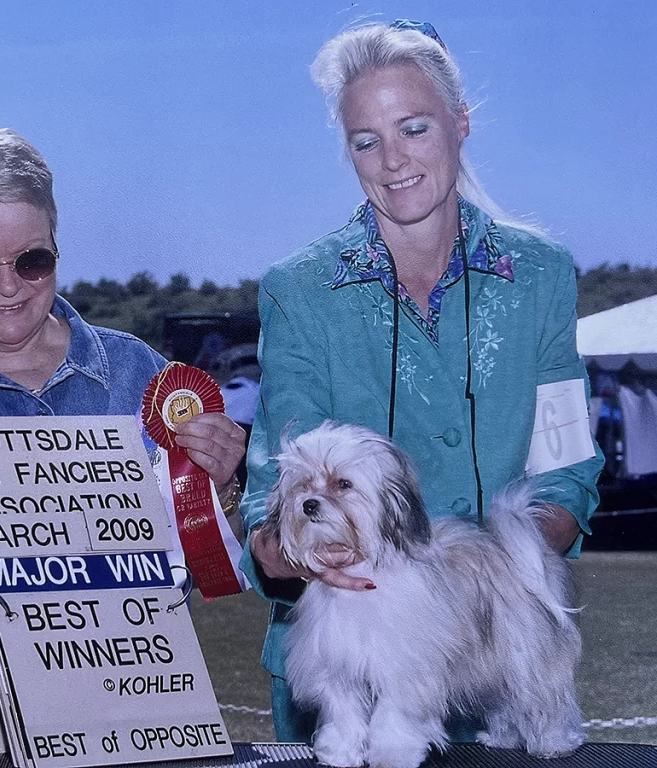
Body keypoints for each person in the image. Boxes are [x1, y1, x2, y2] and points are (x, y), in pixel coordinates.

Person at [239, 20, 604, 743]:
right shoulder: (299, 290)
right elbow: (275, 491)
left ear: (460, 123)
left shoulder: (539, 274)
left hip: (498, 660)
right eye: (365, 140)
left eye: (414, 128)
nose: (392, 160)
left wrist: (503, 571)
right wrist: (299, 548)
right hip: (355, 681)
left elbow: (565, 466)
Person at [0, 127, 247, 756]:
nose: (9, 286)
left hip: (125, 728)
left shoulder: (141, 374)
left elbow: (179, 576)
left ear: (57, 243)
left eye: (32, 260)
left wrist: (216, 491)